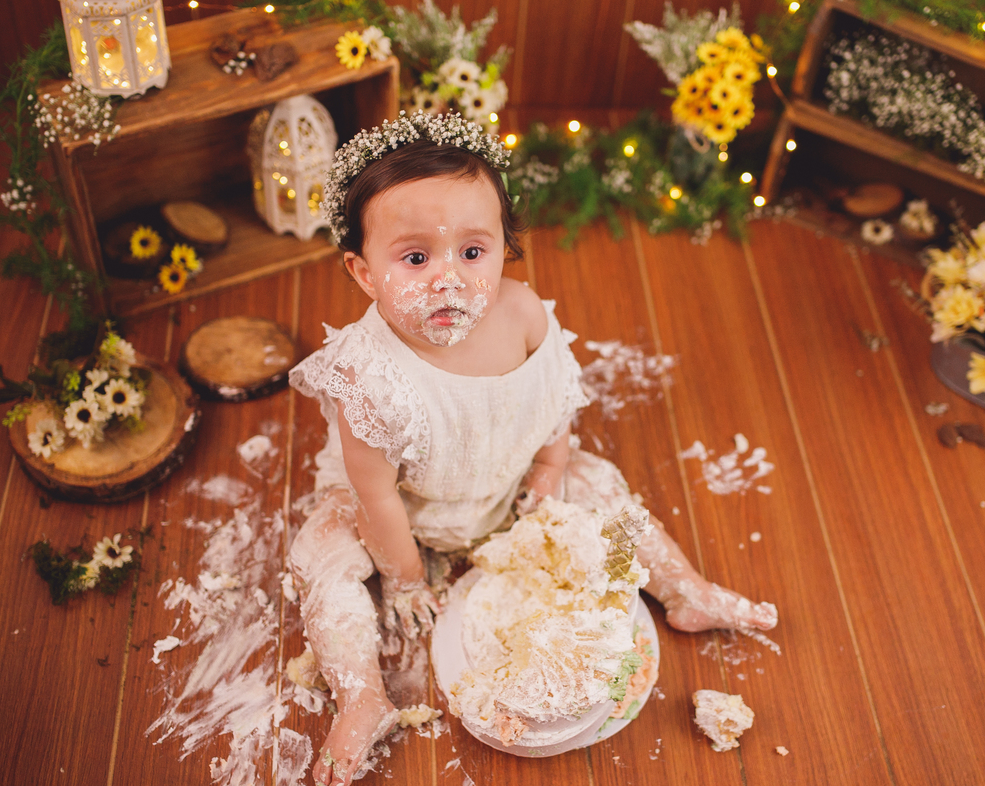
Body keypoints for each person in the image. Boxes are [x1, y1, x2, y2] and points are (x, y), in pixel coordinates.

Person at [289, 112, 778, 786]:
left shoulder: (521, 315)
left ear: (503, 248)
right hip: (404, 512)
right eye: (415, 258)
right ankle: (362, 696)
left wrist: (549, 467)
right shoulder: (369, 378)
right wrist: (403, 576)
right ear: (364, 271)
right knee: (321, 552)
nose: (448, 279)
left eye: (472, 252)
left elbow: (554, 403)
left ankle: (682, 588)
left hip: (504, 483)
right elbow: (376, 497)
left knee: (603, 488)